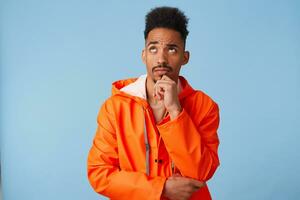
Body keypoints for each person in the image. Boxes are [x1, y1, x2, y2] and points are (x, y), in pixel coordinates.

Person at [87, 6, 220, 200]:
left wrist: (176, 111)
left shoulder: (205, 107)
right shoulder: (115, 107)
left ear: (185, 57)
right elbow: (99, 174)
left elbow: (202, 172)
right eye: (154, 48)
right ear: (144, 55)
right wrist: (161, 188)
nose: (161, 58)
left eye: (172, 49)